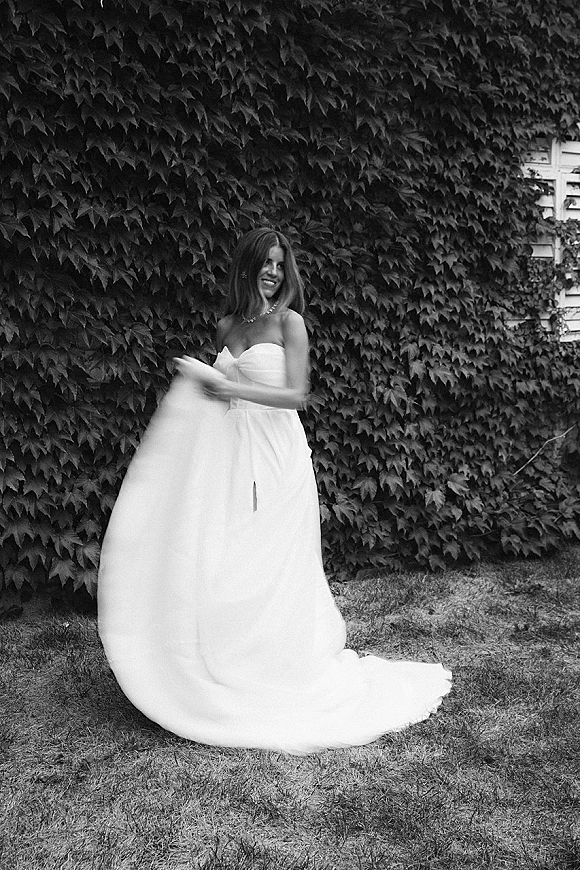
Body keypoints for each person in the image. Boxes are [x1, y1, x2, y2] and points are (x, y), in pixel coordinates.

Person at [98, 227, 451, 754]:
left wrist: (229, 385)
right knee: (232, 557)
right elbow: (218, 403)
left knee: (276, 558)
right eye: (265, 263)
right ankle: (235, 662)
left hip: (279, 456)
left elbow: (296, 395)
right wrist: (198, 383)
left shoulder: (290, 322)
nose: (272, 272)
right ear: (246, 266)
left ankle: (283, 665)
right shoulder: (226, 326)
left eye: (280, 265)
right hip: (232, 458)